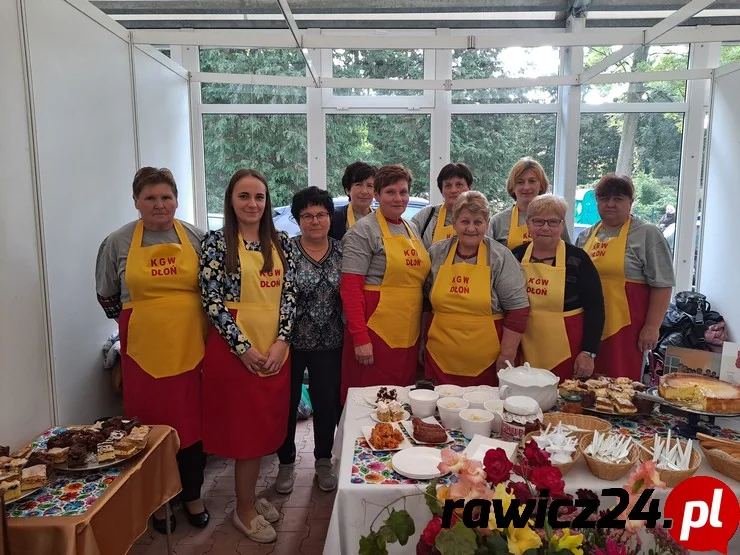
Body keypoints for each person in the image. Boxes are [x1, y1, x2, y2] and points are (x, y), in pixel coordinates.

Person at [95, 167, 209, 533]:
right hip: (143, 352)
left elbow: (212, 289)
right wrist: (147, 319)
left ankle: (192, 495)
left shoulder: (196, 237)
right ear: (136, 201)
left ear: (176, 200)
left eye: (166, 197)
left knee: (191, 425)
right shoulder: (117, 242)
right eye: (150, 198)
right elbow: (107, 296)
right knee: (148, 428)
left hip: (192, 346)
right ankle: (158, 503)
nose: (159, 205)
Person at [199, 169, 296, 544]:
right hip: (234, 353)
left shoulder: (281, 242)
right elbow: (212, 302)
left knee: (265, 427)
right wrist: (243, 349)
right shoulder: (215, 243)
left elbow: (290, 297)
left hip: (274, 349)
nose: (252, 204)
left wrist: (282, 341)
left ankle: (250, 497)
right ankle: (243, 510)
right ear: (231, 200)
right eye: (244, 196)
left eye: (259, 197)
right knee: (245, 434)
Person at [340, 164, 431, 400]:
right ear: (377, 195)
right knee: (372, 401)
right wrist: (360, 338)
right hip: (375, 333)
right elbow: (350, 289)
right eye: (390, 192)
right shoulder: (363, 231)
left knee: (402, 400)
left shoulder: (411, 229)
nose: (398, 198)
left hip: (408, 333)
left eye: (403, 192)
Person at [274, 187, 342, 495]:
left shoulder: (342, 251)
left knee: (326, 405)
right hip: (289, 344)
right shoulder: (284, 251)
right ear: (298, 219)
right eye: (307, 215)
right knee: (285, 405)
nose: (315, 221)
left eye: (321, 215)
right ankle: (286, 462)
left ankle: (323, 460)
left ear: (330, 217)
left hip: (331, 343)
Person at [425, 191, 530, 386]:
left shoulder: (500, 257)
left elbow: (518, 309)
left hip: (487, 364)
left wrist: (507, 355)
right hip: (438, 359)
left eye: (478, 222)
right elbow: (425, 303)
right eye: (465, 221)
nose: (471, 228)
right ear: (454, 223)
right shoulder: (437, 253)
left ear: (487, 224)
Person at [576, 174, 675, 381]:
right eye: (604, 198)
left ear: (631, 202)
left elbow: (663, 284)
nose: (610, 204)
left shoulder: (647, 234)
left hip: (627, 330)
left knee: (622, 385)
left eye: (618, 199)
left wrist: (652, 327)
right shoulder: (586, 236)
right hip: (589, 328)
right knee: (585, 385)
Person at [512, 195, 605, 380]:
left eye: (553, 222)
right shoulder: (515, 256)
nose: (545, 228)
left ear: (562, 226)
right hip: (522, 346)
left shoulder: (578, 259)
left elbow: (595, 308)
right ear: (528, 224)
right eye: (538, 221)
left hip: (567, 349)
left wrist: (588, 352)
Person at [489, 157, 570, 249]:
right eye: (520, 182)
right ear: (512, 187)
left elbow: (569, 252)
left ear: (541, 185)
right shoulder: (498, 221)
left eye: (532, 181)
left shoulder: (555, 218)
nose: (526, 187)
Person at [411, 163, 473, 249]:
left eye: (459, 185)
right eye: (448, 186)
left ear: (469, 188)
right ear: (441, 190)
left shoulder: (480, 217)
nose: (453, 190)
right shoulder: (426, 215)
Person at [329, 161, 376, 240]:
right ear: (347, 190)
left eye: (370, 186)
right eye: (358, 185)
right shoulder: (334, 218)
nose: (364, 191)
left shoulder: (381, 218)